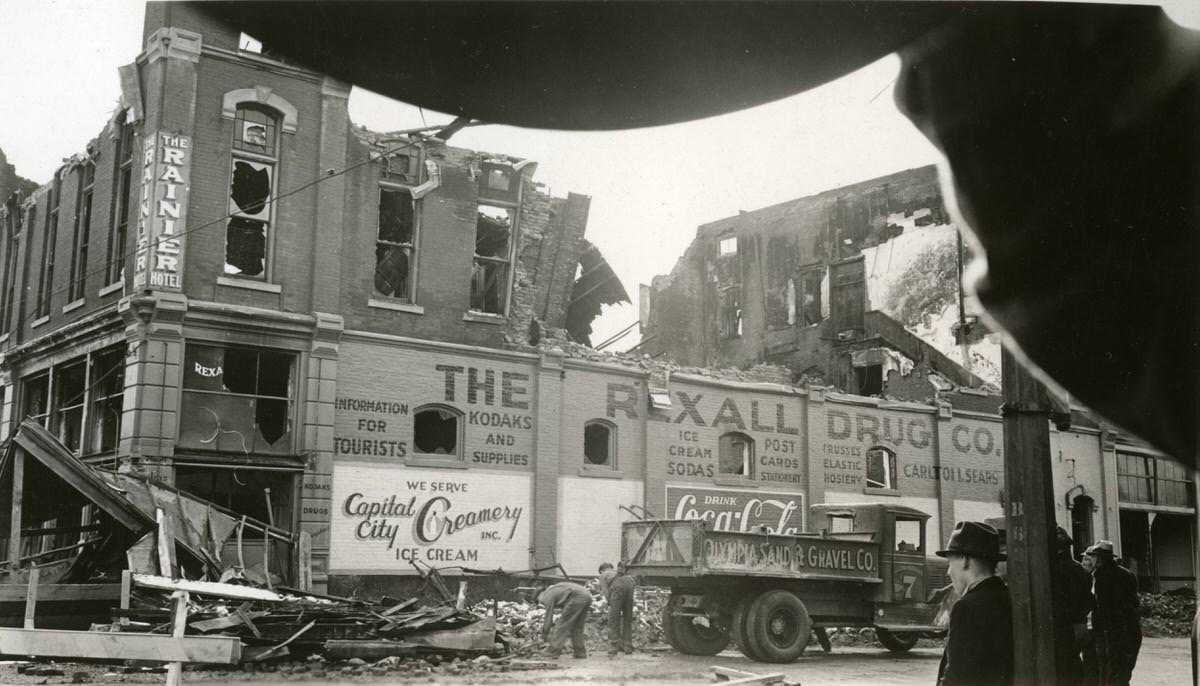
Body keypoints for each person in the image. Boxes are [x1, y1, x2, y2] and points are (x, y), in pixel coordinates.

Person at [934, 521, 1012, 686]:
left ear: (964, 560)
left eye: (950, 562)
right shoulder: (1007, 598)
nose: (948, 572)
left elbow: (959, 677)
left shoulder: (967, 608)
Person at [1085, 541, 1142, 686]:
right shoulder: (1127, 574)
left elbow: (1101, 605)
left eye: (1093, 556)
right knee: (1122, 671)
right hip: (1129, 629)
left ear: (1100, 558)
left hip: (1108, 631)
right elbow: (1134, 603)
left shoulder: (1100, 576)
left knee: (1107, 670)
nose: (1091, 560)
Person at [1055, 527, 1095, 686]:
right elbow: (1089, 600)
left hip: (1061, 626)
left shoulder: (1052, 570)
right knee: (1073, 663)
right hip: (1080, 626)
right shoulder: (1081, 571)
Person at [537, 580, 592, 659]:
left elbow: (548, 617)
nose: (541, 603)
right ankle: (580, 652)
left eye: (538, 601)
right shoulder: (554, 589)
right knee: (577, 626)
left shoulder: (546, 595)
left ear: (540, 594)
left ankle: (553, 651)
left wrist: (544, 633)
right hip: (587, 596)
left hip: (577, 597)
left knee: (562, 624)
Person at [606, 561, 637, 656]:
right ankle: (627, 645)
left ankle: (613, 646)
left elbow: (607, 591)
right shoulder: (631, 579)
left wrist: (609, 601)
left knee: (614, 619)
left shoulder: (610, 577)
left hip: (618, 592)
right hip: (629, 591)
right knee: (627, 620)